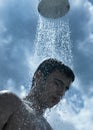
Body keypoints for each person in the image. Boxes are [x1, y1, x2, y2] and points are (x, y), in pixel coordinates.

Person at [0, 58, 75, 130]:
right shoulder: (10, 102)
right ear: (38, 76)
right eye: (57, 83)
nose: (61, 93)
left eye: (65, 89)